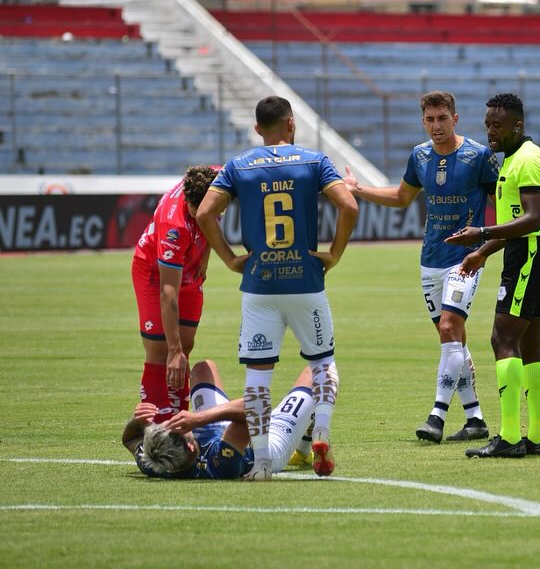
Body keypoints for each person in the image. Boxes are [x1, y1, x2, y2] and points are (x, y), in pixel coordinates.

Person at [196, 95, 360, 480]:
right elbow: (349, 206)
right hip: (306, 282)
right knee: (322, 363)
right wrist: (333, 253)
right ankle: (319, 432)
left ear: (257, 129)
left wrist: (230, 259)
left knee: (257, 377)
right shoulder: (314, 161)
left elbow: (204, 213)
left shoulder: (239, 166)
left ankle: (264, 464)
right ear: (291, 124)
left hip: (259, 286)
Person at [343, 91, 497, 443]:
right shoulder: (420, 155)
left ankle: (437, 417)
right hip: (430, 260)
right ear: (423, 121)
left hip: (465, 258)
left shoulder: (479, 156)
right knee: (454, 338)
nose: (436, 126)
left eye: (442, 118)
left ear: (455, 119)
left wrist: (487, 249)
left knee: (448, 328)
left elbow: (498, 204)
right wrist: (357, 189)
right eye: (430, 119)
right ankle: (475, 419)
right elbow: (401, 197)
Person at [445, 93, 540, 459]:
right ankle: (537, 436)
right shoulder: (511, 159)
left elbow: (532, 219)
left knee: (501, 339)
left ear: (518, 125)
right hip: (528, 253)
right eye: (488, 124)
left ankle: (509, 438)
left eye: (498, 125)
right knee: (527, 344)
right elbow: (515, 225)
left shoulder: (528, 160)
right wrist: (482, 252)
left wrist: (481, 234)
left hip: (528, 255)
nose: (491, 131)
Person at [121, 359, 316, 480]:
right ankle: (305, 445)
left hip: (215, 429)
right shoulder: (221, 462)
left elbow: (130, 440)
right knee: (315, 373)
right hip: (262, 443)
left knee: (202, 368)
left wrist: (137, 422)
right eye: (176, 425)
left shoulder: (155, 461)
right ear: (190, 447)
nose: (173, 419)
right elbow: (256, 407)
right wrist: (198, 419)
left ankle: (305, 444)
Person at [130, 164, 217, 423]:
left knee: (186, 345)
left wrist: (206, 255)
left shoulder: (219, 180)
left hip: (190, 262)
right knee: (163, 350)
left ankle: (179, 414)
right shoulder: (174, 226)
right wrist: (173, 349)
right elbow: (168, 292)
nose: (197, 214)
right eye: (193, 209)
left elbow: (210, 218)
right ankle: (158, 423)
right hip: (155, 273)